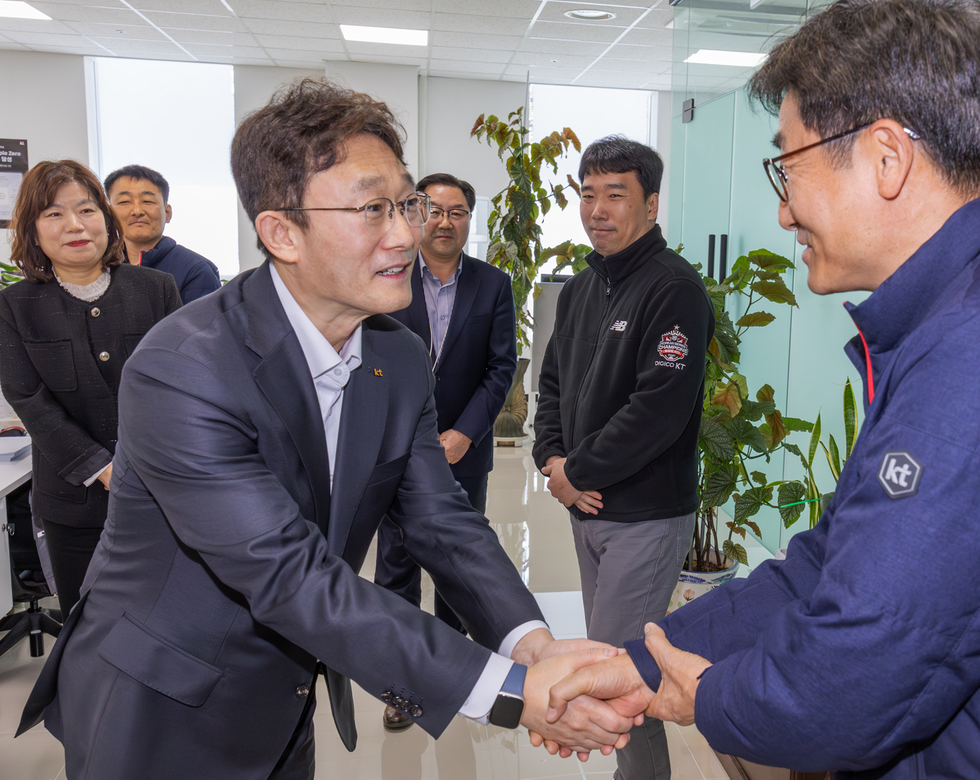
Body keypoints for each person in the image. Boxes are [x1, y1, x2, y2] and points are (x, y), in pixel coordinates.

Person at [542, 0, 980, 780]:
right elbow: (829, 565)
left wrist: (708, 696)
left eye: (788, 167)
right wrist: (644, 662)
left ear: (888, 157)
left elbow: (852, 674)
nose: (783, 213)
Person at [17, 78, 636, 779]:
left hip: (284, 701)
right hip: (161, 708)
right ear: (281, 232)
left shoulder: (398, 355)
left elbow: (441, 518)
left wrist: (533, 646)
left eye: (404, 204)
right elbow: (289, 574)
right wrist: (510, 692)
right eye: (372, 209)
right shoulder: (183, 367)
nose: (405, 233)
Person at [532, 136, 715, 780]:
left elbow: (657, 410)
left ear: (651, 204)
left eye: (616, 195)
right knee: (615, 662)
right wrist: (551, 459)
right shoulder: (582, 288)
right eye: (588, 195)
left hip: (644, 516)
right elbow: (552, 384)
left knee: (618, 673)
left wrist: (576, 473)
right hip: (588, 510)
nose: (597, 210)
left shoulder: (674, 288)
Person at [0, 160, 181, 616]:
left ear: (105, 217)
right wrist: (104, 469)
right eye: (54, 214)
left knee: (167, 620)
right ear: (32, 230)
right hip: (73, 506)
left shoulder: (156, 289)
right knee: (89, 623)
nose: (75, 225)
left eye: (86, 210)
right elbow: (30, 401)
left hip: (161, 493)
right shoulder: (14, 306)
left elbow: (181, 387)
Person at [374, 171, 518, 731]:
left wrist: (464, 433)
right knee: (397, 566)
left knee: (457, 563)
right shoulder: (386, 272)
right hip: (395, 449)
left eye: (457, 212)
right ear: (414, 213)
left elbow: (500, 367)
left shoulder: (493, 284)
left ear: (468, 220)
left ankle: (450, 676)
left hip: (464, 451)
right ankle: (402, 684)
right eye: (432, 209)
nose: (444, 221)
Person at [104, 164, 222, 304]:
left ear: (167, 213)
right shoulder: (100, 268)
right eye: (124, 202)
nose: (137, 211)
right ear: (108, 214)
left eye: (147, 201)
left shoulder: (196, 271)